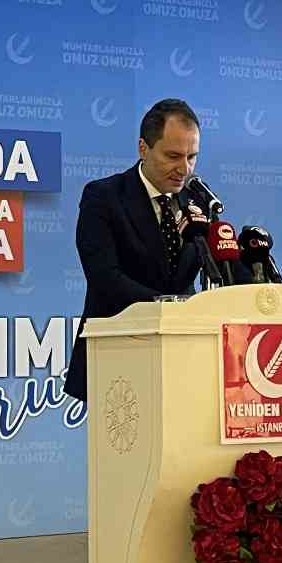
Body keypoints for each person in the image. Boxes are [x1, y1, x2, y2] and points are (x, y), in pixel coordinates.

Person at [63, 99, 207, 402]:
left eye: (192, 157)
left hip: (185, 362)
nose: (184, 169)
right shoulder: (103, 196)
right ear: (143, 148)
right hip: (118, 355)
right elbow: (105, 278)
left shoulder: (197, 203)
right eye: (173, 156)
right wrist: (168, 309)